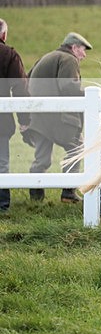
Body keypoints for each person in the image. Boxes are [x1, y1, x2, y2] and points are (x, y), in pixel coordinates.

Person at [27, 32, 93, 203]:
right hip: (59, 119)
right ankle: (68, 193)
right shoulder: (68, 59)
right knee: (77, 149)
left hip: (38, 118)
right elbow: (68, 86)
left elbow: (27, 80)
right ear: (74, 47)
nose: (84, 55)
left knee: (42, 158)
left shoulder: (46, 57)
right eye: (83, 50)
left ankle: (35, 197)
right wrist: (89, 96)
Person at [0, 19, 31, 211]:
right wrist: (24, 120)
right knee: (1, 163)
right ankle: (1, 205)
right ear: (3, 35)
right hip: (1, 121)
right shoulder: (8, 54)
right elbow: (20, 88)